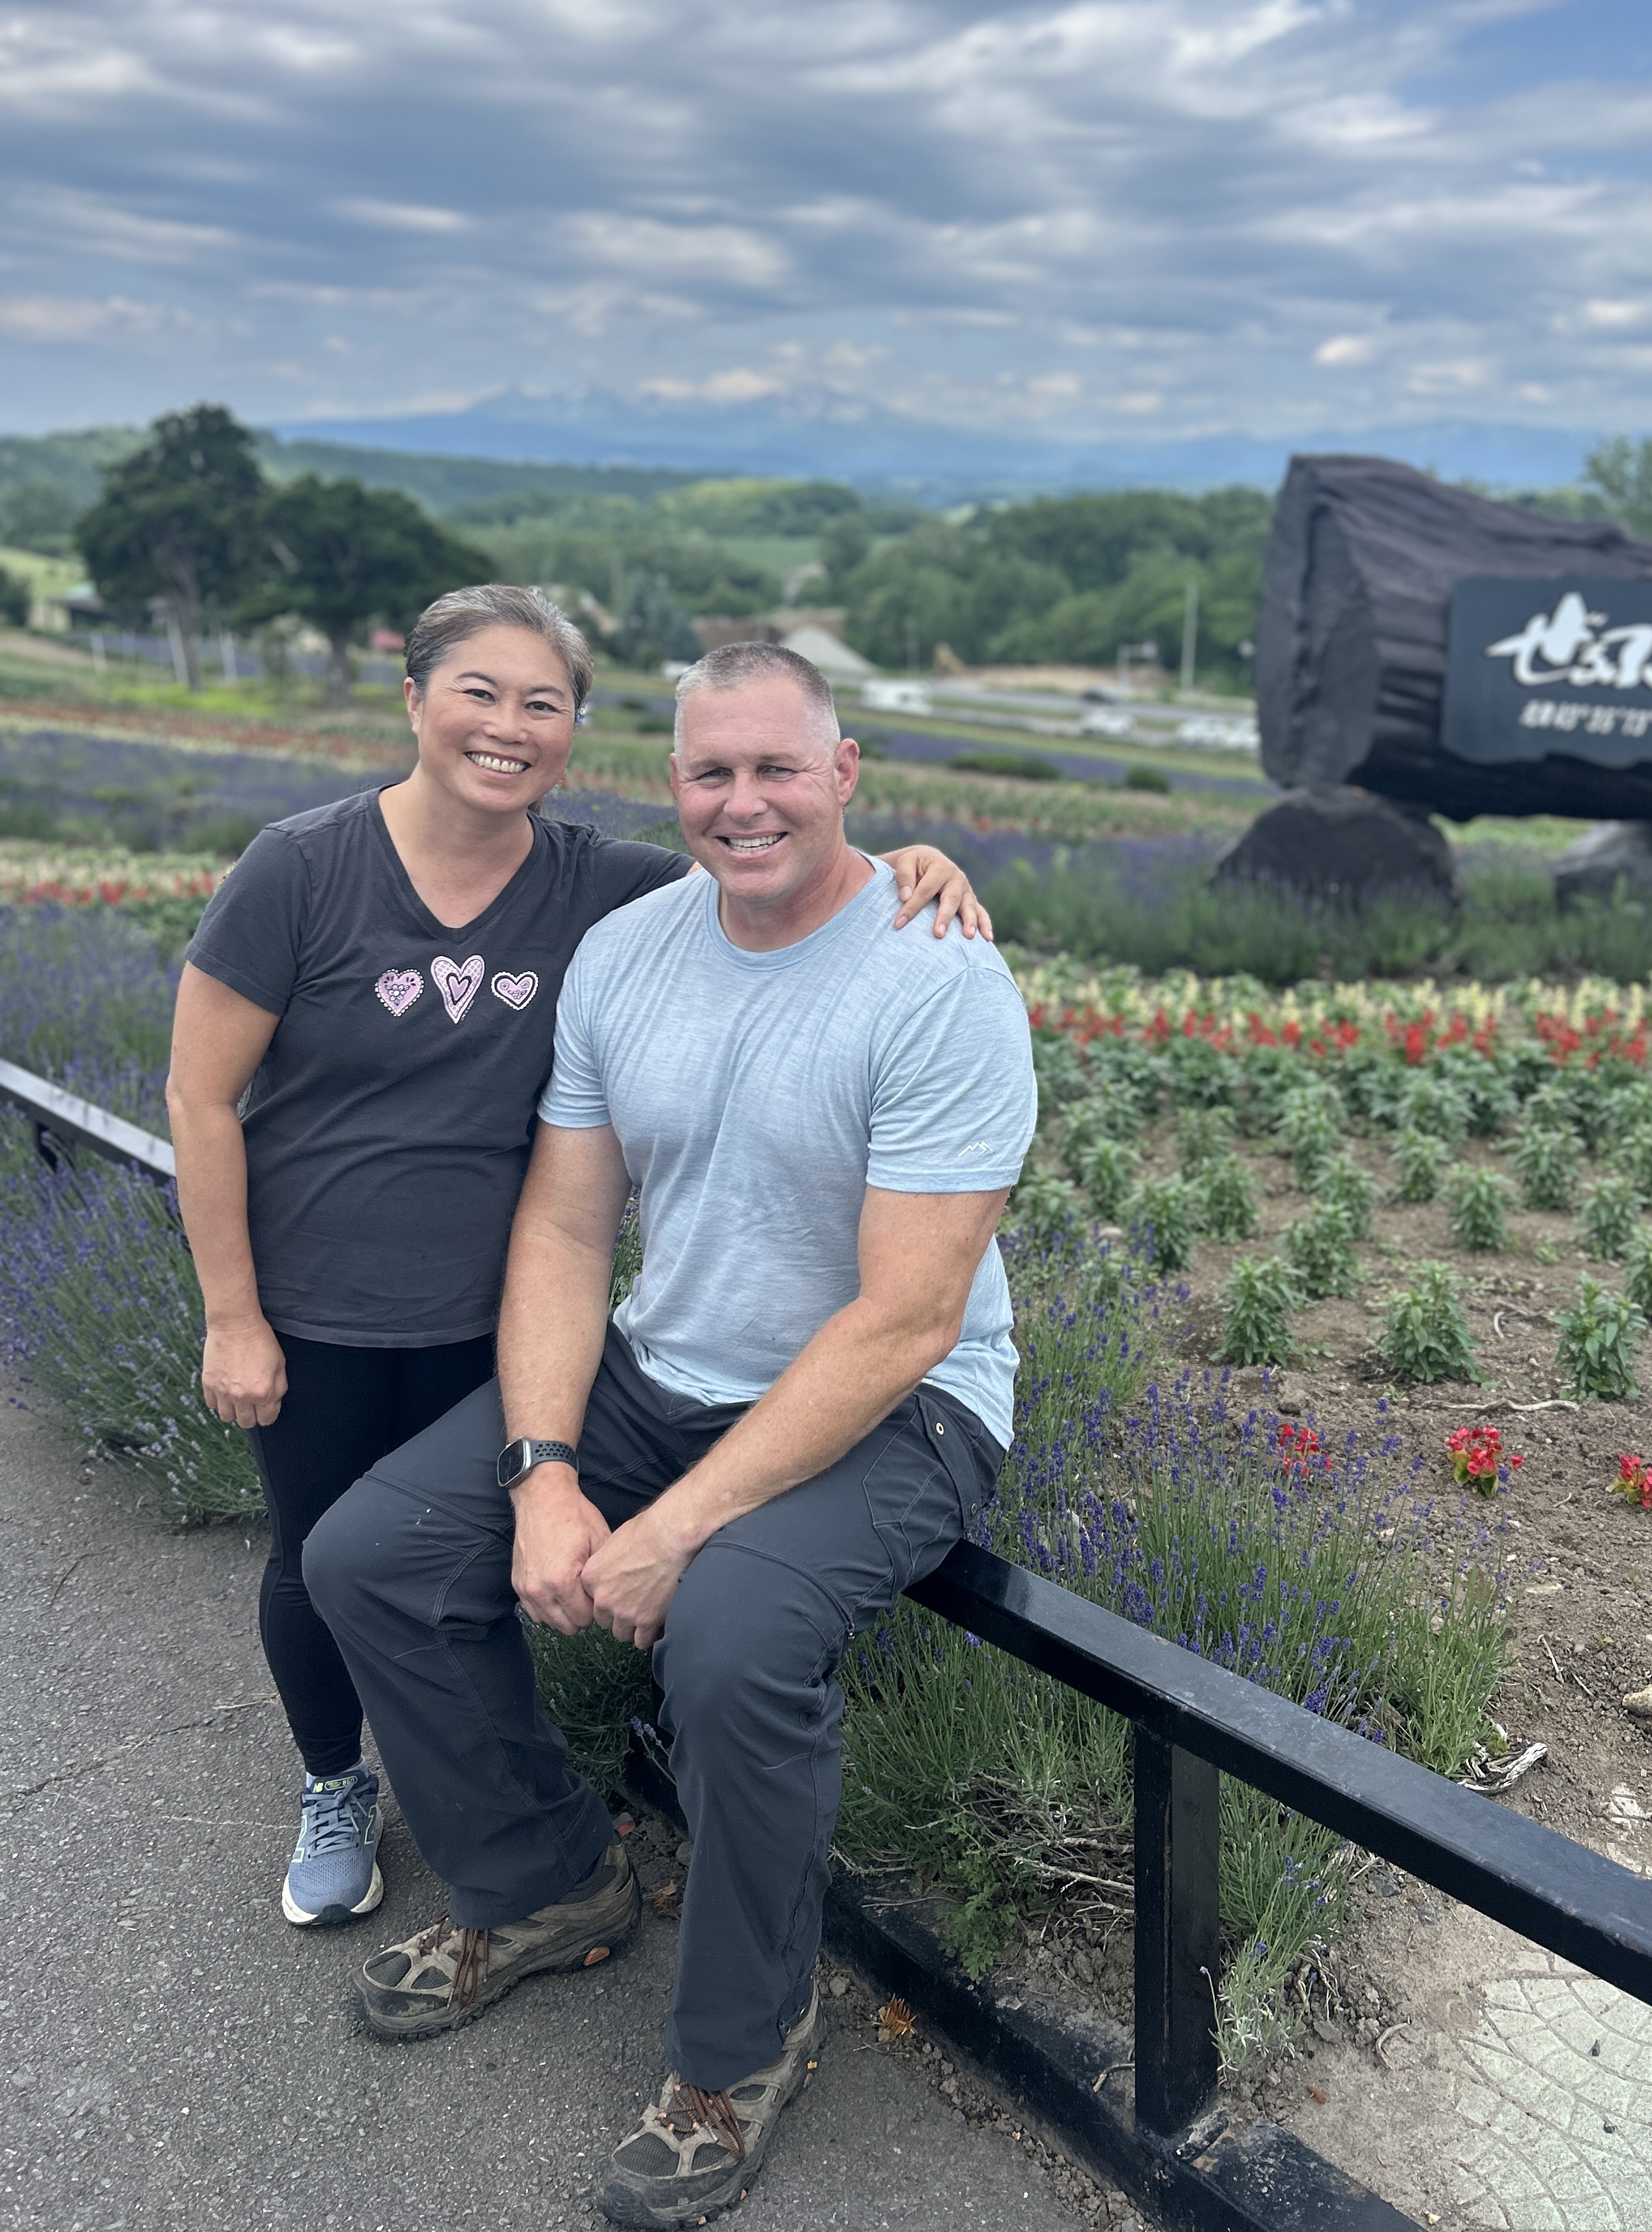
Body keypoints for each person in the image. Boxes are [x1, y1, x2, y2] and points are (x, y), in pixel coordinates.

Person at [302, 639, 1036, 2230]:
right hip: (667, 1367)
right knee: (372, 1556)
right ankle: (548, 1880)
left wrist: (674, 1529)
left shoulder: (938, 979)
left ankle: (742, 2045)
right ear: (673, 782)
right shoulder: (628, 952)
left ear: (845, 774)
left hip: (900, 1404)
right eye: (713, 771)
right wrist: (544, 1474)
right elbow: (568, 1232)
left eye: (780, 768)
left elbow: (908, 1319)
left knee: (728, 1640)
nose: (744, 801)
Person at [165, 587, 988, 1930]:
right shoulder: (300, 867)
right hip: (320, 1303)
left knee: (457, 1559)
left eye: (541, 702)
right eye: (478, 691)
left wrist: (908, 862)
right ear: (415, 701)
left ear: (576, 733)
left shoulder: (606, 883)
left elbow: (770, 860)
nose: (507, 725)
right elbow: (201, 1099)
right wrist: (231, 1314)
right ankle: (337, 1782)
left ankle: (518, 1816)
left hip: (495, 1312)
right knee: (323, 1558)